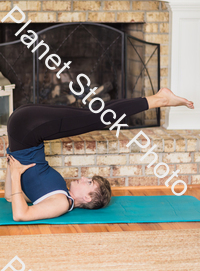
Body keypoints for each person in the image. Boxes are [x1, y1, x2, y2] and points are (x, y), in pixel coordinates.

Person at [4, 88, 194, 222]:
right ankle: (158, 99)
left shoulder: (61, 204)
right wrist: (12, 167)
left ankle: (160, 99)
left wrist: (13, 171)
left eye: (89, 183)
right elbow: (13, 198)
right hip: (27, 129)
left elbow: (20, 213)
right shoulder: (60, 193)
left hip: (26, 129)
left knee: (96, 117)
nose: (84, 178)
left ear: (87, 198)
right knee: (96, 114)